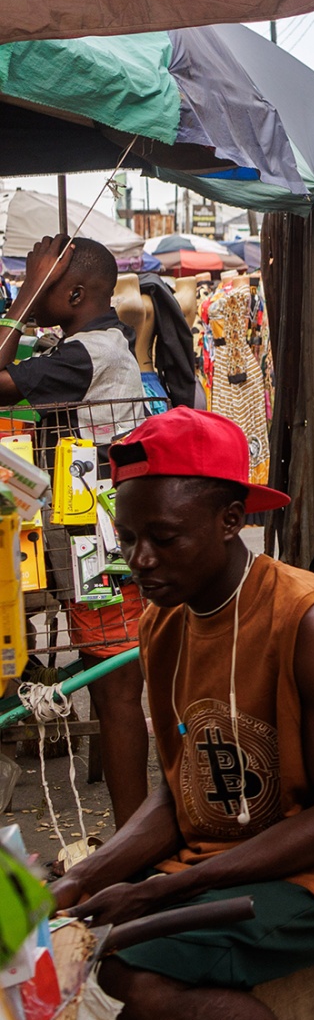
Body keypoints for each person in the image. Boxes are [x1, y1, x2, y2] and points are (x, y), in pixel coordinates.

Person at [51, 407, 314, 1020]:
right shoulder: (161, 622)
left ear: (232, 521)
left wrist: (159, 889)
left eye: (165, 538)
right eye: (128, 539)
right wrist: (84, 878)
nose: (141, 560)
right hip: (225, 850)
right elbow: (184, 792)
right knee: (69, 952)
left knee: (122, 975)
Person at [0, 235, 150, 824]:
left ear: (76, 293)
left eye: (43, 281)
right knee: (113, 680)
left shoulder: (92, 353)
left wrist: (21, 302)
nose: (29, 288)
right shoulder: (79, 346)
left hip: (101, 543)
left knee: (115, 690)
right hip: (88, 530)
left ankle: (133, 838)